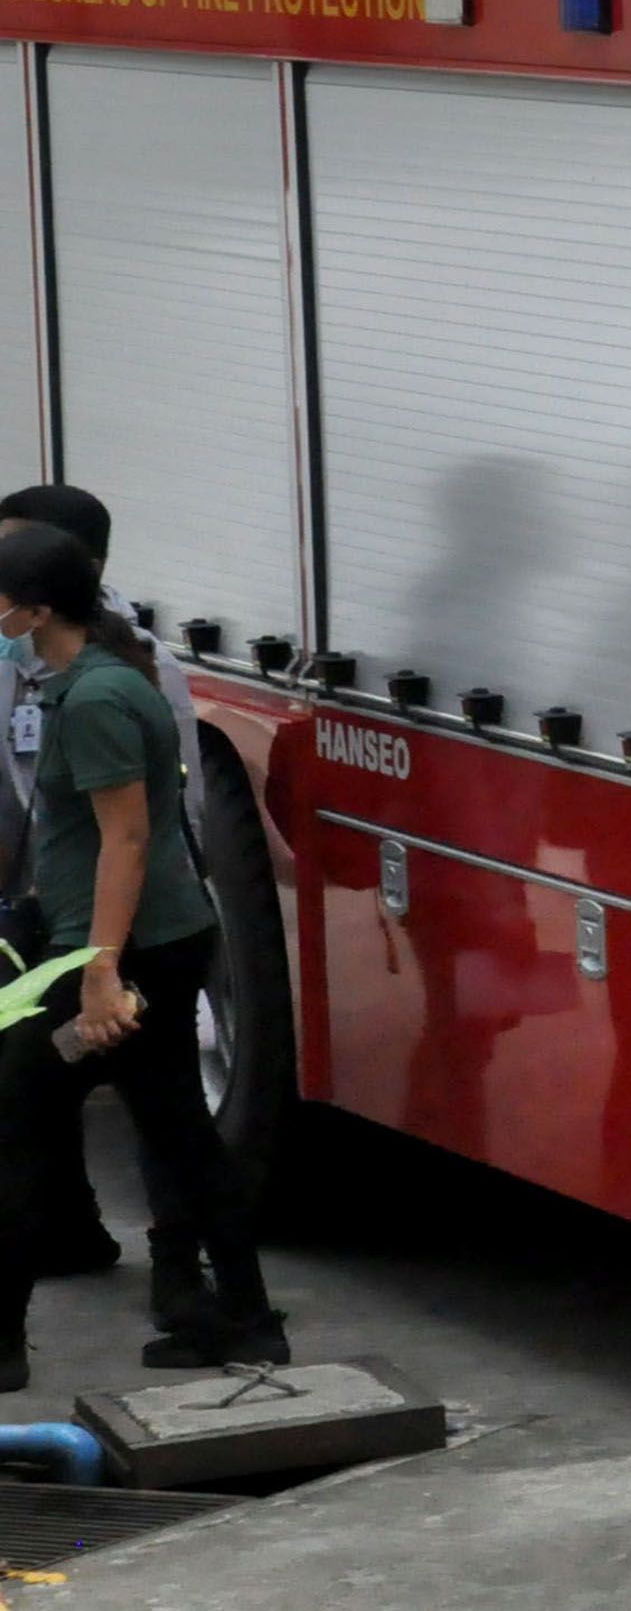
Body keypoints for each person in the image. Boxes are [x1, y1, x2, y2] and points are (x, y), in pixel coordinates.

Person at [0, 519, 283, 1387]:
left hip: (119, 958)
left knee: (15, 1118)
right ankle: (243, 1318)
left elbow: (126, 839)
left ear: (35, 610)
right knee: (180, 1132)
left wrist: (98, 972)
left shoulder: (93, 701)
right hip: (147, 943)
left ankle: (3, 1347)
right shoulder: (100, 678)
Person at [0, 484, 170, 1297]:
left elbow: (142, 830)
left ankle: (204, 1293)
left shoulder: (113, 682)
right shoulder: (38, 668)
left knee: (42, 1096)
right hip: (50, 917)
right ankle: (73, 1234)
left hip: (109, 933)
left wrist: (101, 963)